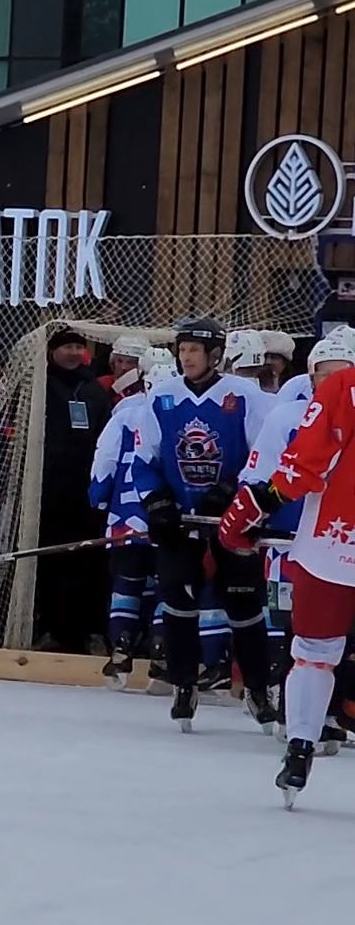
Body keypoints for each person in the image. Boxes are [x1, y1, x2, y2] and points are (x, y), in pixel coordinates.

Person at [221, 333, 355, 802]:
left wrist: (255, 506)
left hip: (332, 546)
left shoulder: (342, 391)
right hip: (328, 547)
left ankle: (300, 749)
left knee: (315, 651)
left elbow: (305, 466)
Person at [130, 317, 278, 733]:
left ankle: (257, 687)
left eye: (194, 349)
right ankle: (183, 684)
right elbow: (145, 461)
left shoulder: (244, 396)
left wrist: (232, 490)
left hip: (234, 523)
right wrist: (157, 503)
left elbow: (262, 458)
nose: (186, 356)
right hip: (182, 522)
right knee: (179, 603)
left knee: (245, 607)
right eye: (182, 349)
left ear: (215, 354)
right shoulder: (162, 397)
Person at [89, 346, 172, 688]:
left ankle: (121, 652)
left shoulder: (125, 413)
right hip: (168, 519)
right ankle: (161, 653)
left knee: (128, 584)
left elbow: (104, 461)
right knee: (165, 586)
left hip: (126, 518)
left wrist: (97, 496)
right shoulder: (177, 410)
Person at [34, 327, 114, 654]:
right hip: (49, 492)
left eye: (77, 346)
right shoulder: (41, 385)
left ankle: (84, 630)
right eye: (66, 346)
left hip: (85, 494)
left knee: (85, 561)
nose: (72, 352)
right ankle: (48, 626)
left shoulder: (93, 389)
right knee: (49, 562)